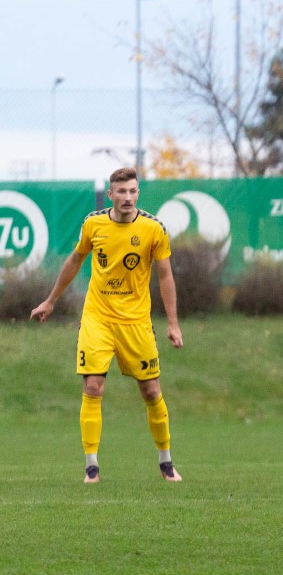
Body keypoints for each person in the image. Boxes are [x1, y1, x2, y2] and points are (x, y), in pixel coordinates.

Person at [31, 167, 184, 484]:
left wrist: (173, 323)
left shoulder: (154, 229)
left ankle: (166, 462)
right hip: (97, 319)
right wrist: (51, 300)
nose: (127, 197)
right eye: (121, 191)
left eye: (132, 191)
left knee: (151, 390)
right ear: (111, 194)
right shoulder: (93, 223)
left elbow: (165, 276)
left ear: (138, 193)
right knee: (92, 387)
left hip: (136, 322)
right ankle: (92, 467)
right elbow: (75, 260)